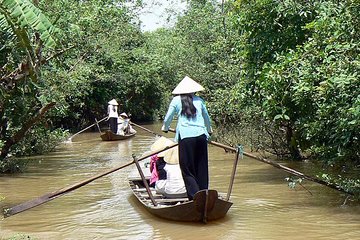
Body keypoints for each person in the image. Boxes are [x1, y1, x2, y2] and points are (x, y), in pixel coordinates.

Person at [161, 76, 212, 200]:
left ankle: (195, 197)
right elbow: (207, 119)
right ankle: (204, 194)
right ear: (194, 90)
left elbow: (168, 118)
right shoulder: (200, 100)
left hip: (186, 138)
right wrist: (209, 130)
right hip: (201, 136)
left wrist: (165, 128)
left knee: (187, 169)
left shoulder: (176, 100)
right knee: (202, 167)